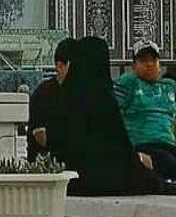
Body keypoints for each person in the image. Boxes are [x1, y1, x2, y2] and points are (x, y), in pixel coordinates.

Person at [46, 36, 163, 196]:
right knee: (157, 180)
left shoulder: (61, 98)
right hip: (103, 180)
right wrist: (139, 160)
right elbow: (118, 148)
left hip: (70, 182)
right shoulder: (103, 99)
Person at [114, 43, 176, 196]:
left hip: (169, 147)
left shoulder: (170, 87)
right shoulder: (128, 82)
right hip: (143, 146)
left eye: (153, 60)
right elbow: (114, 118)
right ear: (134, 66)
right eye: (143, 60)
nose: (149, 64)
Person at [28, 38, 74, 160]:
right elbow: (41, 137)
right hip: (47, 164)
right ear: (60, 67)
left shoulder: (76, 92)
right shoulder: (44, 92)